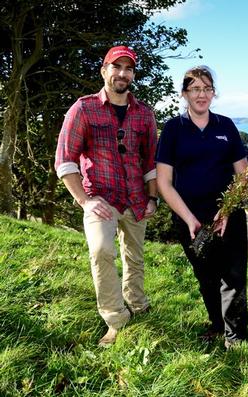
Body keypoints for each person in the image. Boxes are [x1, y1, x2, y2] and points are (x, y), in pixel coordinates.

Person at [55, 45, 157, 347]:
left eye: (128, 69)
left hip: (137, 199)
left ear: (133, 75)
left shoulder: (144, 114)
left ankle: (137, 304)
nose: (122, 73)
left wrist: (153, 199)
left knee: (135, 258)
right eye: (117, 67)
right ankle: (115, 319)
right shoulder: (83, 108)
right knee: (101, 252)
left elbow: (150, 161)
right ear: (104, 70)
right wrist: (85, 201)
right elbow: (65, 160)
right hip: (101, 199)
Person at [156, 66, 248, 349]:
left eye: (207, 88)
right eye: (195, 89)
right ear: (184, 93)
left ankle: (236, 337)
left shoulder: (226, 126)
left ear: (213, 93)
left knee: (233, 276)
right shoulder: (173, 129)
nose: (201, 94)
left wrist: (227, 209)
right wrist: (189, 219)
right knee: (206, 276)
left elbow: (243, 174)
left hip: (228, 215)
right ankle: (217, 325)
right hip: (188, 217)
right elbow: (164, 182)